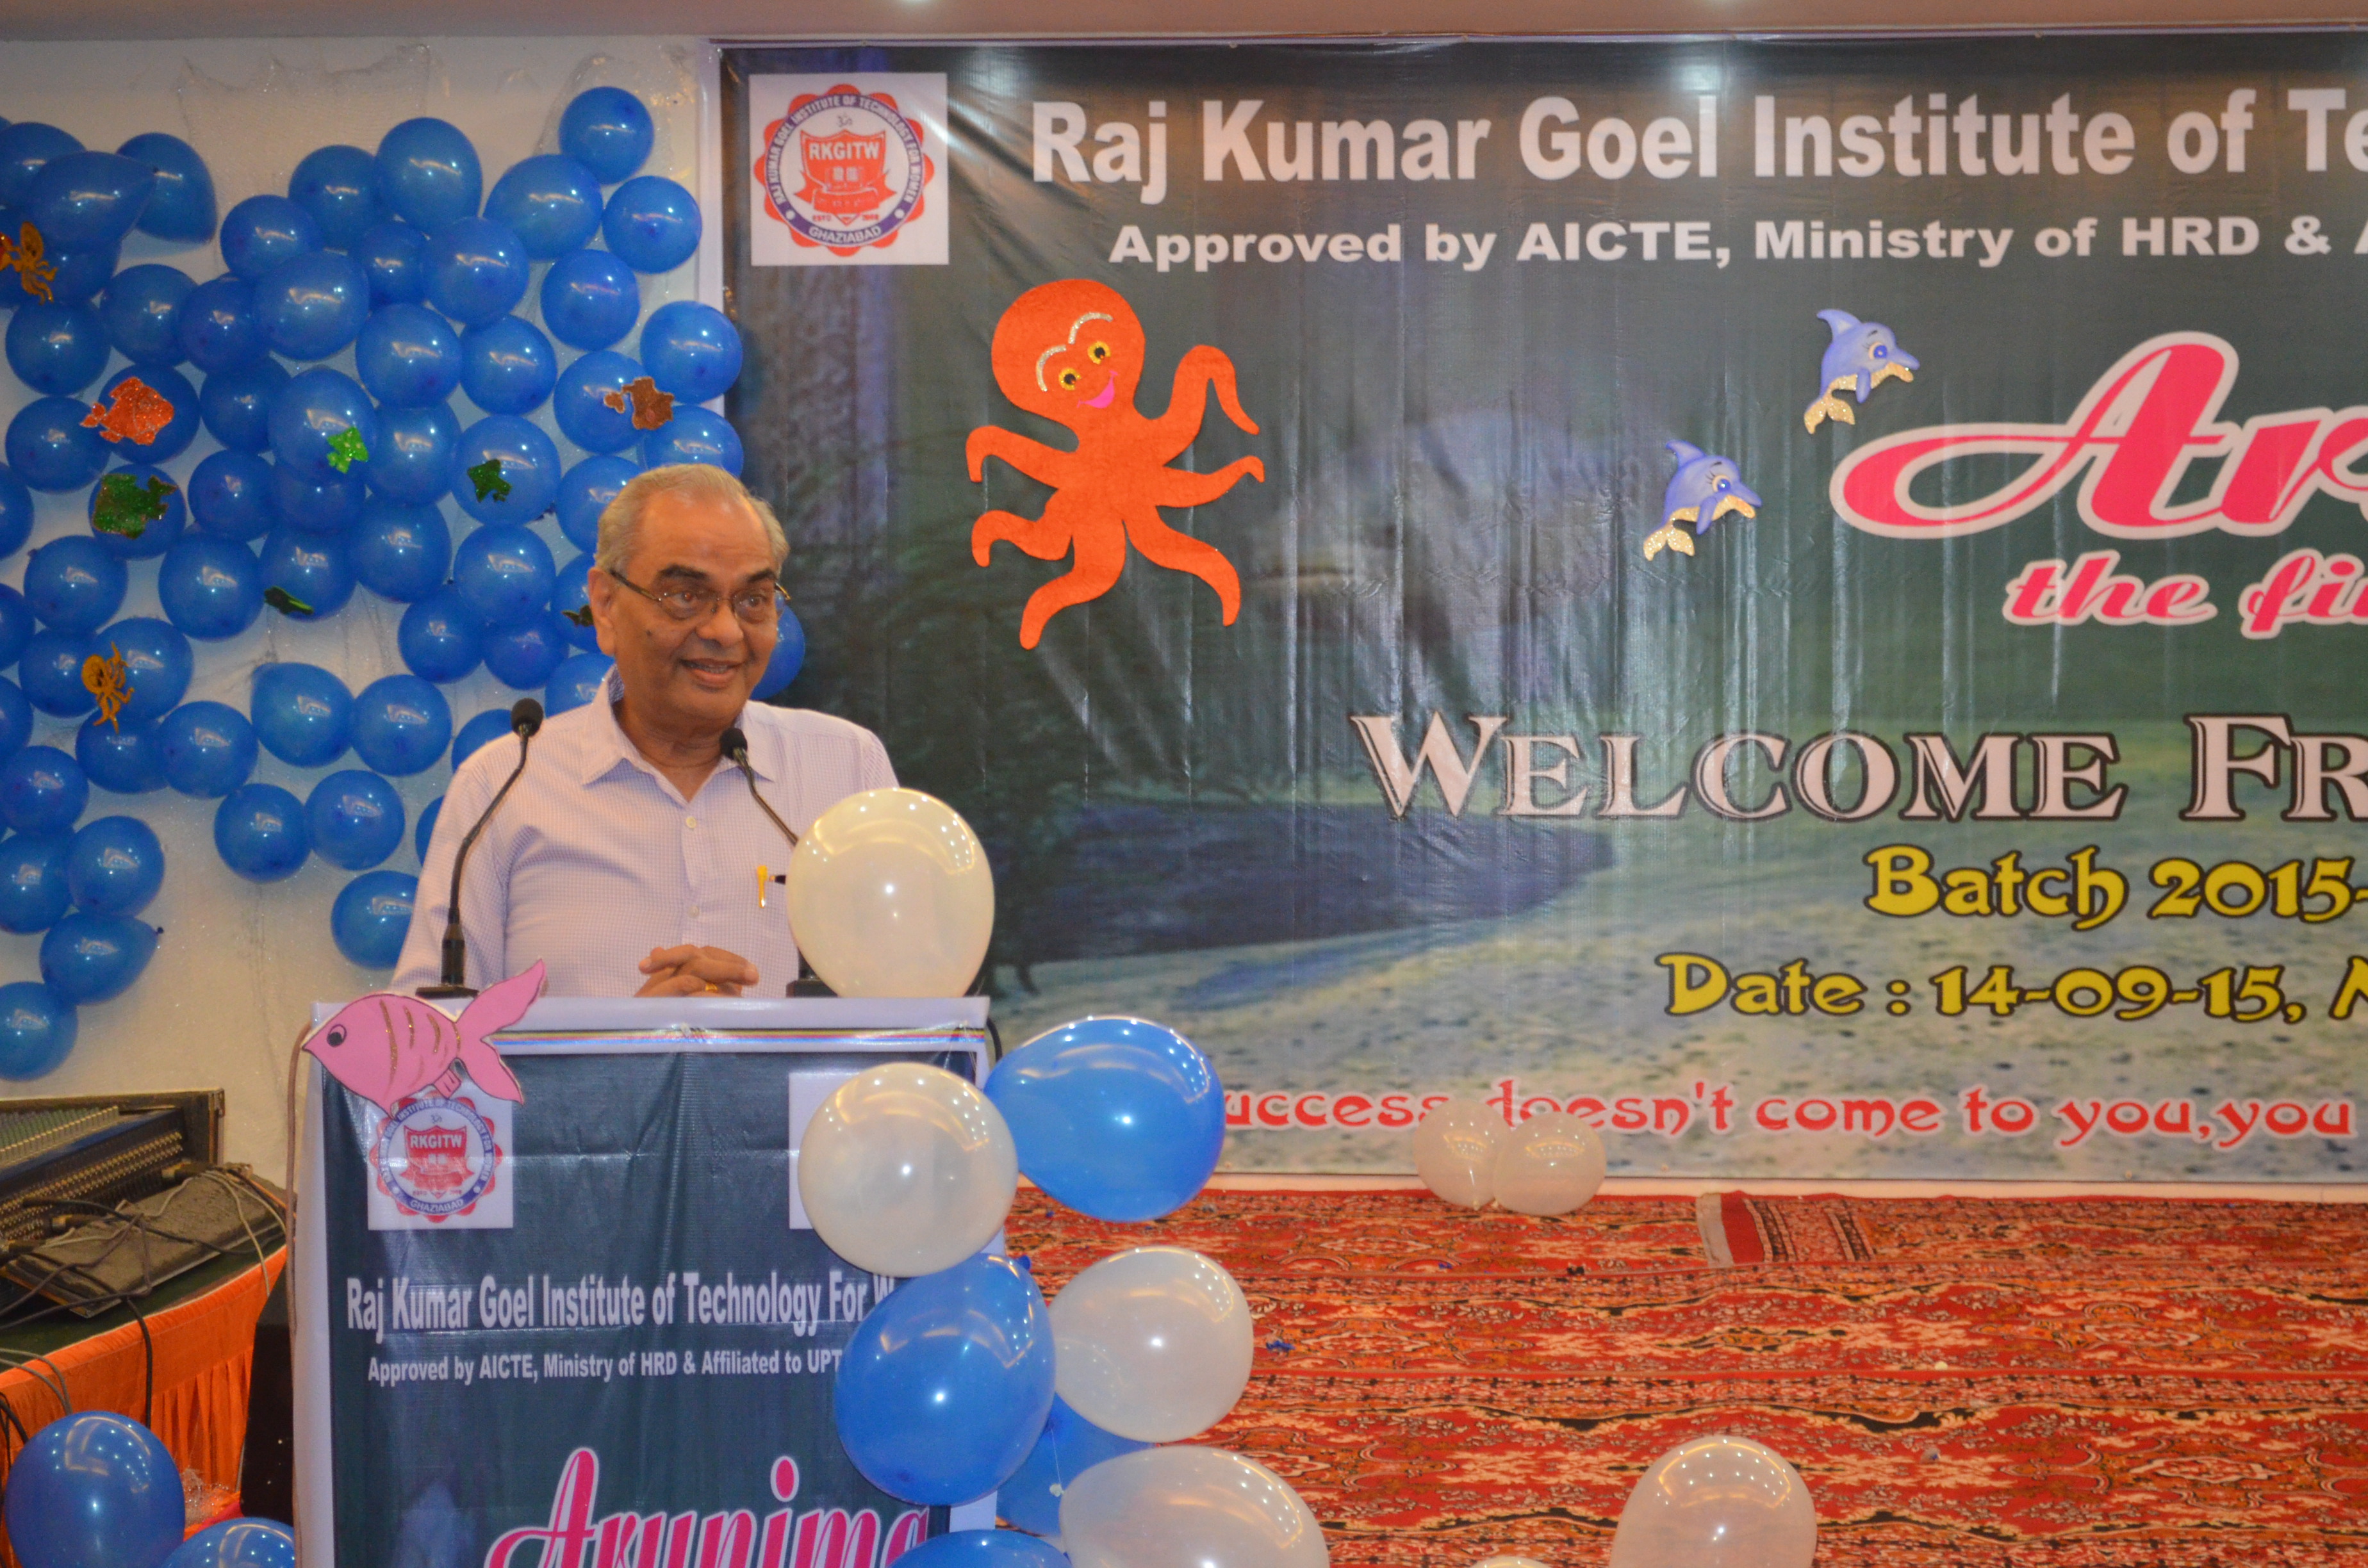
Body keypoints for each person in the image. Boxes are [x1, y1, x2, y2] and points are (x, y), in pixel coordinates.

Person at [392, 463, 894, 998]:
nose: (726, 631)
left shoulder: (846, 770)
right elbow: (426, 1034)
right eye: (686, 596)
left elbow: (911, 1008)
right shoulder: (503, 785)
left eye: (753, 600)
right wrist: (623, 1038)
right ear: (606, 605)